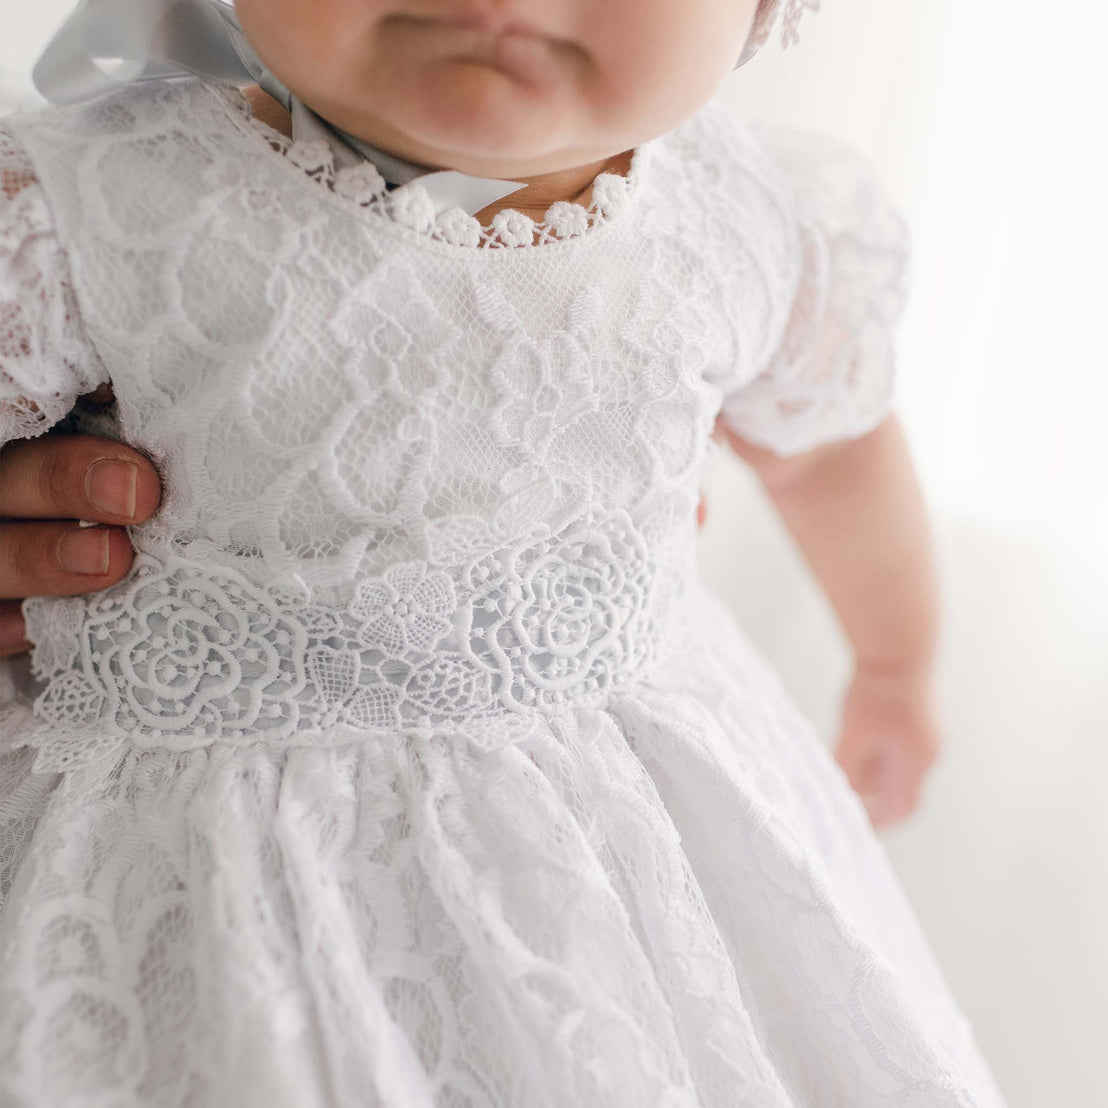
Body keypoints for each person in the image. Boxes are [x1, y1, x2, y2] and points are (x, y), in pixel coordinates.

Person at [0, 0, 1009, 1104]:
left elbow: (825, 447)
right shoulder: (87, 218)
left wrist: (896, 659)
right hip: (201, 862)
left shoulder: (745, 218)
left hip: (623, 856)